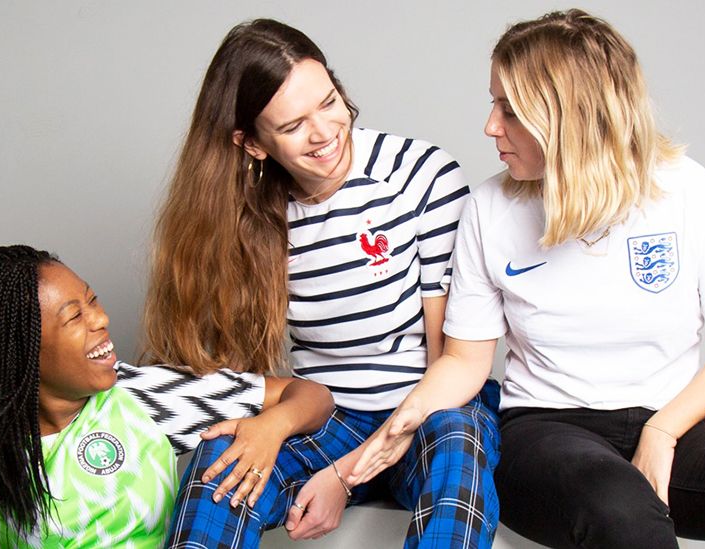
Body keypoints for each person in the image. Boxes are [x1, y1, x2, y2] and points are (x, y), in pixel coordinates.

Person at [350, 9, 705, 549]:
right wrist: (406, 418)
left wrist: (664, 430)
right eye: (493, 104)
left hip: (668, 418)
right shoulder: (490, 209)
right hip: (542, 433)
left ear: (567, 116)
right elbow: (465, 359)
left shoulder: (689, 191)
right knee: (621, 510)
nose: (490, 126)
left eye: (509, 110)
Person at [144, 18, 500, 549]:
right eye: (292, 126)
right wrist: (270, 431)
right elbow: (227, 378)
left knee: (458, 449)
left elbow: (447, 360)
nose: (325, 132)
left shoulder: (420, 174)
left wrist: (344, 474)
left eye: (329, 101)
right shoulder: (240, 217)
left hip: (428, 407)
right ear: (253, 144)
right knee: (217, 473)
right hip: (325, 415)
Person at [0, 245, 333, 549]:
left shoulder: (140, 397)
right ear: (23, 352)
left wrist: (272, 427)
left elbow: (312, 396)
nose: (101, 319)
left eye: (92, 301)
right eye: (75, 317)